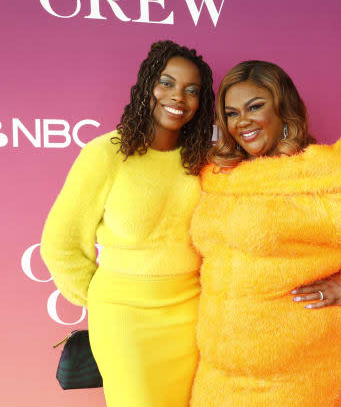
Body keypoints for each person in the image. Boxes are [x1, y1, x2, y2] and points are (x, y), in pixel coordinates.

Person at [189, 60, 341, 407]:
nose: (242, 121)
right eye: (231, 113)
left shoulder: (324, 174)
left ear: (283, 109)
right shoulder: (220, 175)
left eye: (255, 107)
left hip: (301, 372)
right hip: (219, 371)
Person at [40, 40, 215, 407]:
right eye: (166, 83)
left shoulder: (204, 161)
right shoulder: (106, 154)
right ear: (147, 85)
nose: (178, 97)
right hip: (123, 317)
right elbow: (61, 241)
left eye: (191, 90)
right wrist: (105, 298)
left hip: (190, 316)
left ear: (201, 102)